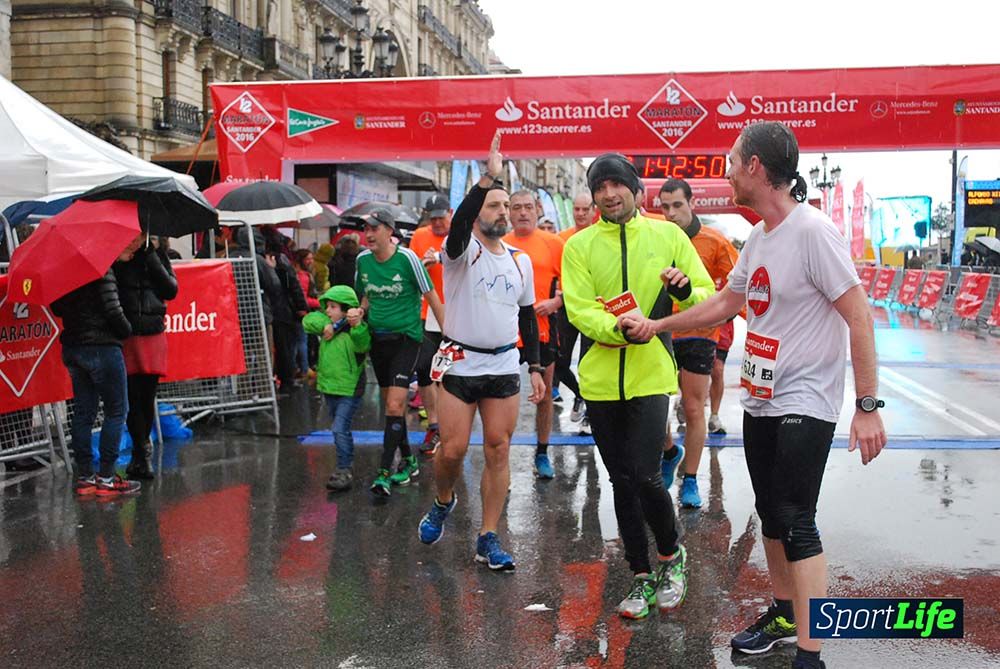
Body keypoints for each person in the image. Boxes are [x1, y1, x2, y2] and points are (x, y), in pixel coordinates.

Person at [635, 122, 886, 669]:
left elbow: (859, 316)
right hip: (762, 398)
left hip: (807, 399)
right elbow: (727, 303)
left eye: (730, 160)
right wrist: (661, 326)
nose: (724, 170)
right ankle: (782, 614)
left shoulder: (814, 232)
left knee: (796, 518)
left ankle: (811, 653)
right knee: (771, 516)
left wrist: (867, 407)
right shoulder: (762, 238)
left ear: (756, 168)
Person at [561, 153, 715, 619]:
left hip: (650, 374)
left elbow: (706, 294)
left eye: (617, 185)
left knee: (646, 475)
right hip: (601, 379)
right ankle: (640, 574)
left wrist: (684, 289)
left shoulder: (667, 235)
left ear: (635, 190)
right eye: (600, 186)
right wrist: (618, 329)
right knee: (620, 481)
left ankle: (671, 557)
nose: (609, 194)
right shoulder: (579, 246)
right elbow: (579, 308)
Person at [417, 131, 545, 571]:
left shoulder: (519, 259)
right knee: (452, 451)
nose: (503, 212)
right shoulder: (459, 250)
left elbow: (527, 314)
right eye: (495, 205)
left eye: (506, 206)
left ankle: (488, 535)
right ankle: (443, 499)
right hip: (460, 360)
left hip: (504, 362)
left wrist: (536, 367)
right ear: (477, 215)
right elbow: (458, 222)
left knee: (498, 448)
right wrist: (486, 180)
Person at [658, 178, 740, 507]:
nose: (671, 213)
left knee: (693, 407)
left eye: (677, 205)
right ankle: (668, 451)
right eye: (665, 207)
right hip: (661, 330)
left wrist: (725, 317)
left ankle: (690, 479)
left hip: (699, 334)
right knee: (656, 408)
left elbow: (739, 285)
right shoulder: (656, 237)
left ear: (692, 204)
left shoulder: (716, 242)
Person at [355, 208, 444, 496]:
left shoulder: (408, 259)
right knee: (392, 409)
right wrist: (360, 311)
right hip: (378, 341)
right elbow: (366, 295)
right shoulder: (362, 261)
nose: (368, 234)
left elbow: (431, 297)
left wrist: (451, 338)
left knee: (395, 406)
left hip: (407, 338)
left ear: (389, 231)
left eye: (374, 228)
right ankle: (408, 461)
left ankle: (383, 472)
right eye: (365, 229)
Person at [52, 236, 144, 498]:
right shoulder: (102, 270)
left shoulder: (67, 271)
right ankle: (106, 477)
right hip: (103, 347)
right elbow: (114, 311)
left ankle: (86, 477)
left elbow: (57, 308)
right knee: (117, 410)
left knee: (83, 412)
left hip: (74, 348)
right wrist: (127, 330)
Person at [503, 190, 565, 479]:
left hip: (542, 329)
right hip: (505, 331)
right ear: (509, 212)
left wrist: (555, 302)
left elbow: (573, 286)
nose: (523, 213)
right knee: (503, 395)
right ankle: (501, 453)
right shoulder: (499, 244)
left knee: (545, 394)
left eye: (528, 207)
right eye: (517, 208)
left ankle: (542, 452)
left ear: (538, 210)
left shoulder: (554, 243)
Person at [113, 237, 179, 480]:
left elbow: (171, 289)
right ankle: (142, 453)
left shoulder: (157, 255)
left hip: (151, 333)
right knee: (132, 396)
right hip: (129, 334)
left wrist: (151, 256)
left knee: (145, 396)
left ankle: (142, 454)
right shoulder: (118, 257)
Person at [303, 285, 370, 491]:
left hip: (349, 389)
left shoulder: (356, 330)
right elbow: (307, 321)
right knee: (340, 429)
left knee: (339, 428)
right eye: (327, 306)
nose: (328, 310)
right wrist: (329, 325)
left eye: (333, 307)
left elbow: (363, 343)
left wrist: (350, 324)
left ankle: (344, 469)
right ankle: (344, 463)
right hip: (329, 387)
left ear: (346, 309)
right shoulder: (327, 325)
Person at [408, 193, 452, 455]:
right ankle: (434, 424)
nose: (436, 223)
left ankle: (453, 425)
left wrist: (441, 259)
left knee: (451, 372)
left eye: (441, 217)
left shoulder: (461, 233)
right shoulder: (420, 236)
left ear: (451, 212)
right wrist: (421, 265)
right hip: (427, 312)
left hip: (456, 311)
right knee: (425, 368)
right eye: (432, 218)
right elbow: (411, 269)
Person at [555, 193, 598, 426]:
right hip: (566, 308)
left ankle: (590, 413)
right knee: (559, 362)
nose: (580, 214)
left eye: (585, 209)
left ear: (593, 211)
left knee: (587, 364)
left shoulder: (600, 236)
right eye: (576, 209)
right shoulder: (561, 239)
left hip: (593, 309)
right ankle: (580, 394)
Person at [293, 249, 321, 375]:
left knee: (299, 341)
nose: (311, 261)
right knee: (302, 341)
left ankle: (301, 368)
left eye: (312, 258)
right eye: (308, 258)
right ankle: (304, 369)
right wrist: (319, 302)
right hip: (303, 313)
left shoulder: (300, 274)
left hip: (301, 312)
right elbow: (303, 298)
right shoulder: (303, 276)